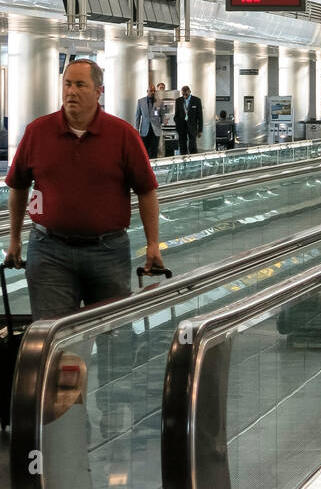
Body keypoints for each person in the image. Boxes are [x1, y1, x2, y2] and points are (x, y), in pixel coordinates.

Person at [3, 59, 163, 318]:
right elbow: (18, 186)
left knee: (112, 334)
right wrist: (14, 240)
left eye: (80, 85)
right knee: (51, 335)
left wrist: (153, 244)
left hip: (108, 252)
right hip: (48, 250)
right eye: (67, 84)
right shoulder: (37, 132)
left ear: (99, 91)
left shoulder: (122, 134)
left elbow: (146, 191)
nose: (71, 91)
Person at [134, 83, 162, 158]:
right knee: (144, 151)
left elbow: (162, 114)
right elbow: (137, 116)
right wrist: (136, 129)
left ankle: (154, 168)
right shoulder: (141, 101)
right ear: (147, 91)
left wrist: (164, 121)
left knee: (154, 151)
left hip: (155, 130)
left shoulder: (159, 102)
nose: (153, 92)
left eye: (154, 91)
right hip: (144, 130)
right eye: (151, 91)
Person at [175, 84, 203, 155]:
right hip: (182, 126)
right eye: (183, 94)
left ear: (190, 92)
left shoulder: (196, 100)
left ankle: (193, 160)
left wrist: (200, 130)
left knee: (192, 145)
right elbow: (176, 114)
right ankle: (183, 160)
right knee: (182, 145)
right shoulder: (178, 100)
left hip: (192, 126)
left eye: (186, 94)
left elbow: (200, 116)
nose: (185, 96)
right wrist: (177, 125)